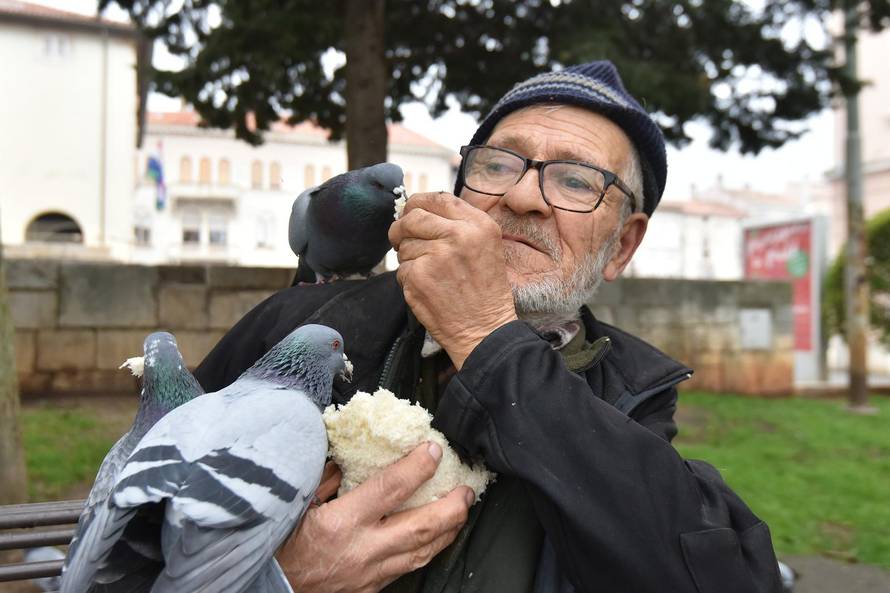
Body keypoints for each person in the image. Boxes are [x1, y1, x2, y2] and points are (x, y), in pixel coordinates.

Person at [194, 61, 782, 593]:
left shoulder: (634, 397)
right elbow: (119, 545)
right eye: (498, 165)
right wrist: (269, 579)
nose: (522, 196)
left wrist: (485, 337)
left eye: (576, 181)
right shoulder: (299, 326)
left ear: (622, 244)